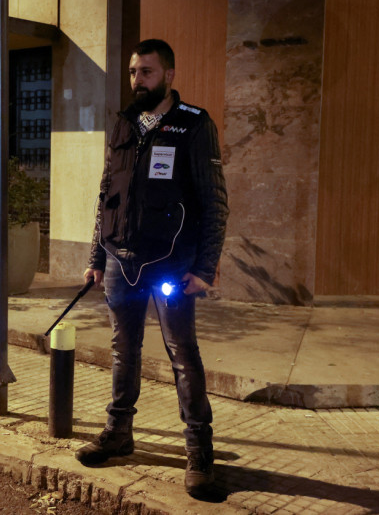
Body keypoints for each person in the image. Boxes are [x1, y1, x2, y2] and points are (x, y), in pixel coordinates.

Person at [77, 39, 229, 497]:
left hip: (172, 267)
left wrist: (205, 267)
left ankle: (199, 451)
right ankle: (119, 433)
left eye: (146, 72)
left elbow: (214, 203)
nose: (136, 80)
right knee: (124, 351)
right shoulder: (124, 124)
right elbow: (107, 196)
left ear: (169, 75)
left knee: (183, 356)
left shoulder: (194, 125)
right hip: (122, 263)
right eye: (132, 72)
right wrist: (96, 258)